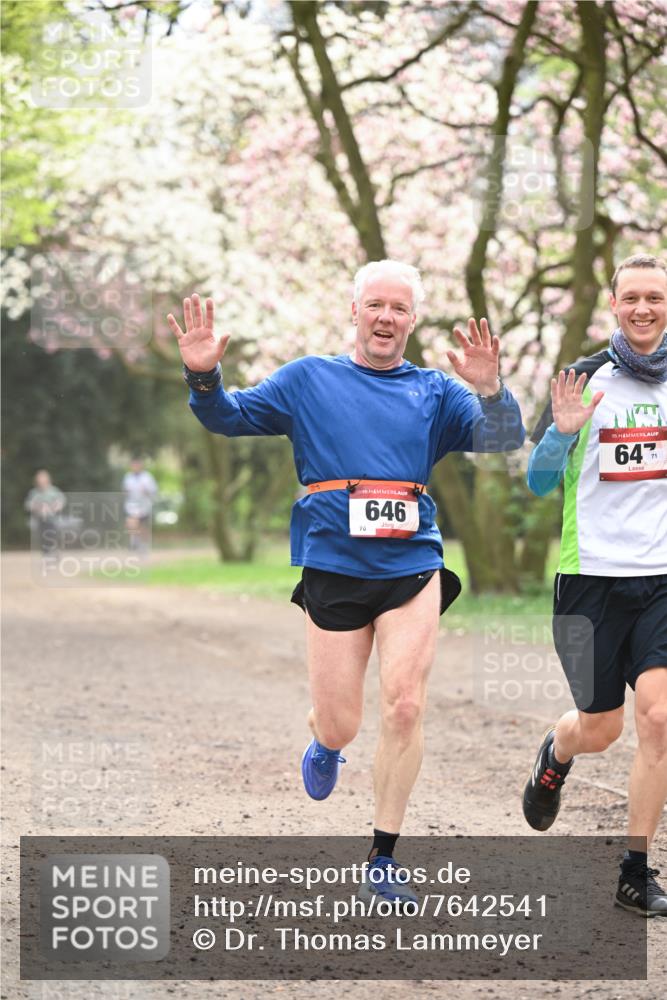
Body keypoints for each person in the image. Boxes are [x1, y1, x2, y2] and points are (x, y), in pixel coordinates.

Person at [168, 259, 525, 906]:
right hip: (333, 563)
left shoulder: (435, 392)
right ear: (354, 311)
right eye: (375, 305)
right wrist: (202, 375)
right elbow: (227, 416)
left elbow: (504, 437)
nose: (386, 317)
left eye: (399, 308)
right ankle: (324, 739)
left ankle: (383, 857)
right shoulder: (309, 379)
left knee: (405, 704)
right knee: (341, 725)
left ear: (412, 320)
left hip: (411, 563)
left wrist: (491, 389)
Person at [523, 253, 667, 916]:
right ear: (613, 305)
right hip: (589, 583)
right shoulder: (582, 378)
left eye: (654, 297)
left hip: (659, 580)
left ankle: (635, 870)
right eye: (631, 297)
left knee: (659, 718)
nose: (643, 308)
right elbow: (537, 481)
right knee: (600, 727)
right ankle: (556, 754)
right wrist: (561, 434)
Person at [24, 469, 65, 557]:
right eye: (39, 480)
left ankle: (53, 550)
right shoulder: (34, 493)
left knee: (51, 530)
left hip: (53, 519)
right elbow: (28, 505)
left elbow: (61, 502)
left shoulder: (54, 491)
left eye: (43, 479)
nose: (41, 482)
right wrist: (38, 508)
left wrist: (52, 508)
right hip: (39, 519)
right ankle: (47, 553)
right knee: (43, 532)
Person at [122, 457, 158, 553]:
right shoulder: (128, 477)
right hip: (131, 504)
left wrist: (146, 491)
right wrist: (126, 492)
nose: (135, 467)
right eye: (133, 465)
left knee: (142, 526)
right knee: (131, 522)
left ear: (141, 466)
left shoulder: (147, 477)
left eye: (137, 465)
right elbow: (124, 490)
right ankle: (133, 542)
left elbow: (153, 491)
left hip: (144, 505)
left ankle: (143, 544)